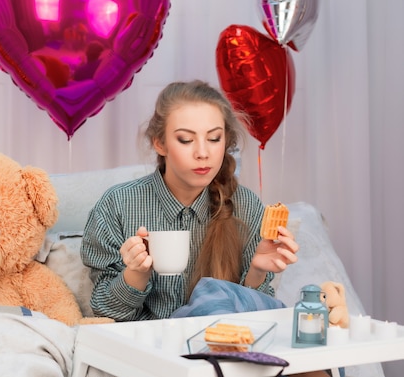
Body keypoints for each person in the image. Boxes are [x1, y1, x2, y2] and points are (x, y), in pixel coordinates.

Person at [80, 80, 299, 322]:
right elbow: (105, 313)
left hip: (218, 349)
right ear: (160, 143)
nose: (203, 153)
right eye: (186, 140)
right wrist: (136, 273)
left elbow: (252, 319)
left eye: (214, 139)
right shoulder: (118, 205)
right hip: (148, 353)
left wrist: (257, 271)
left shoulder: (245, 205)